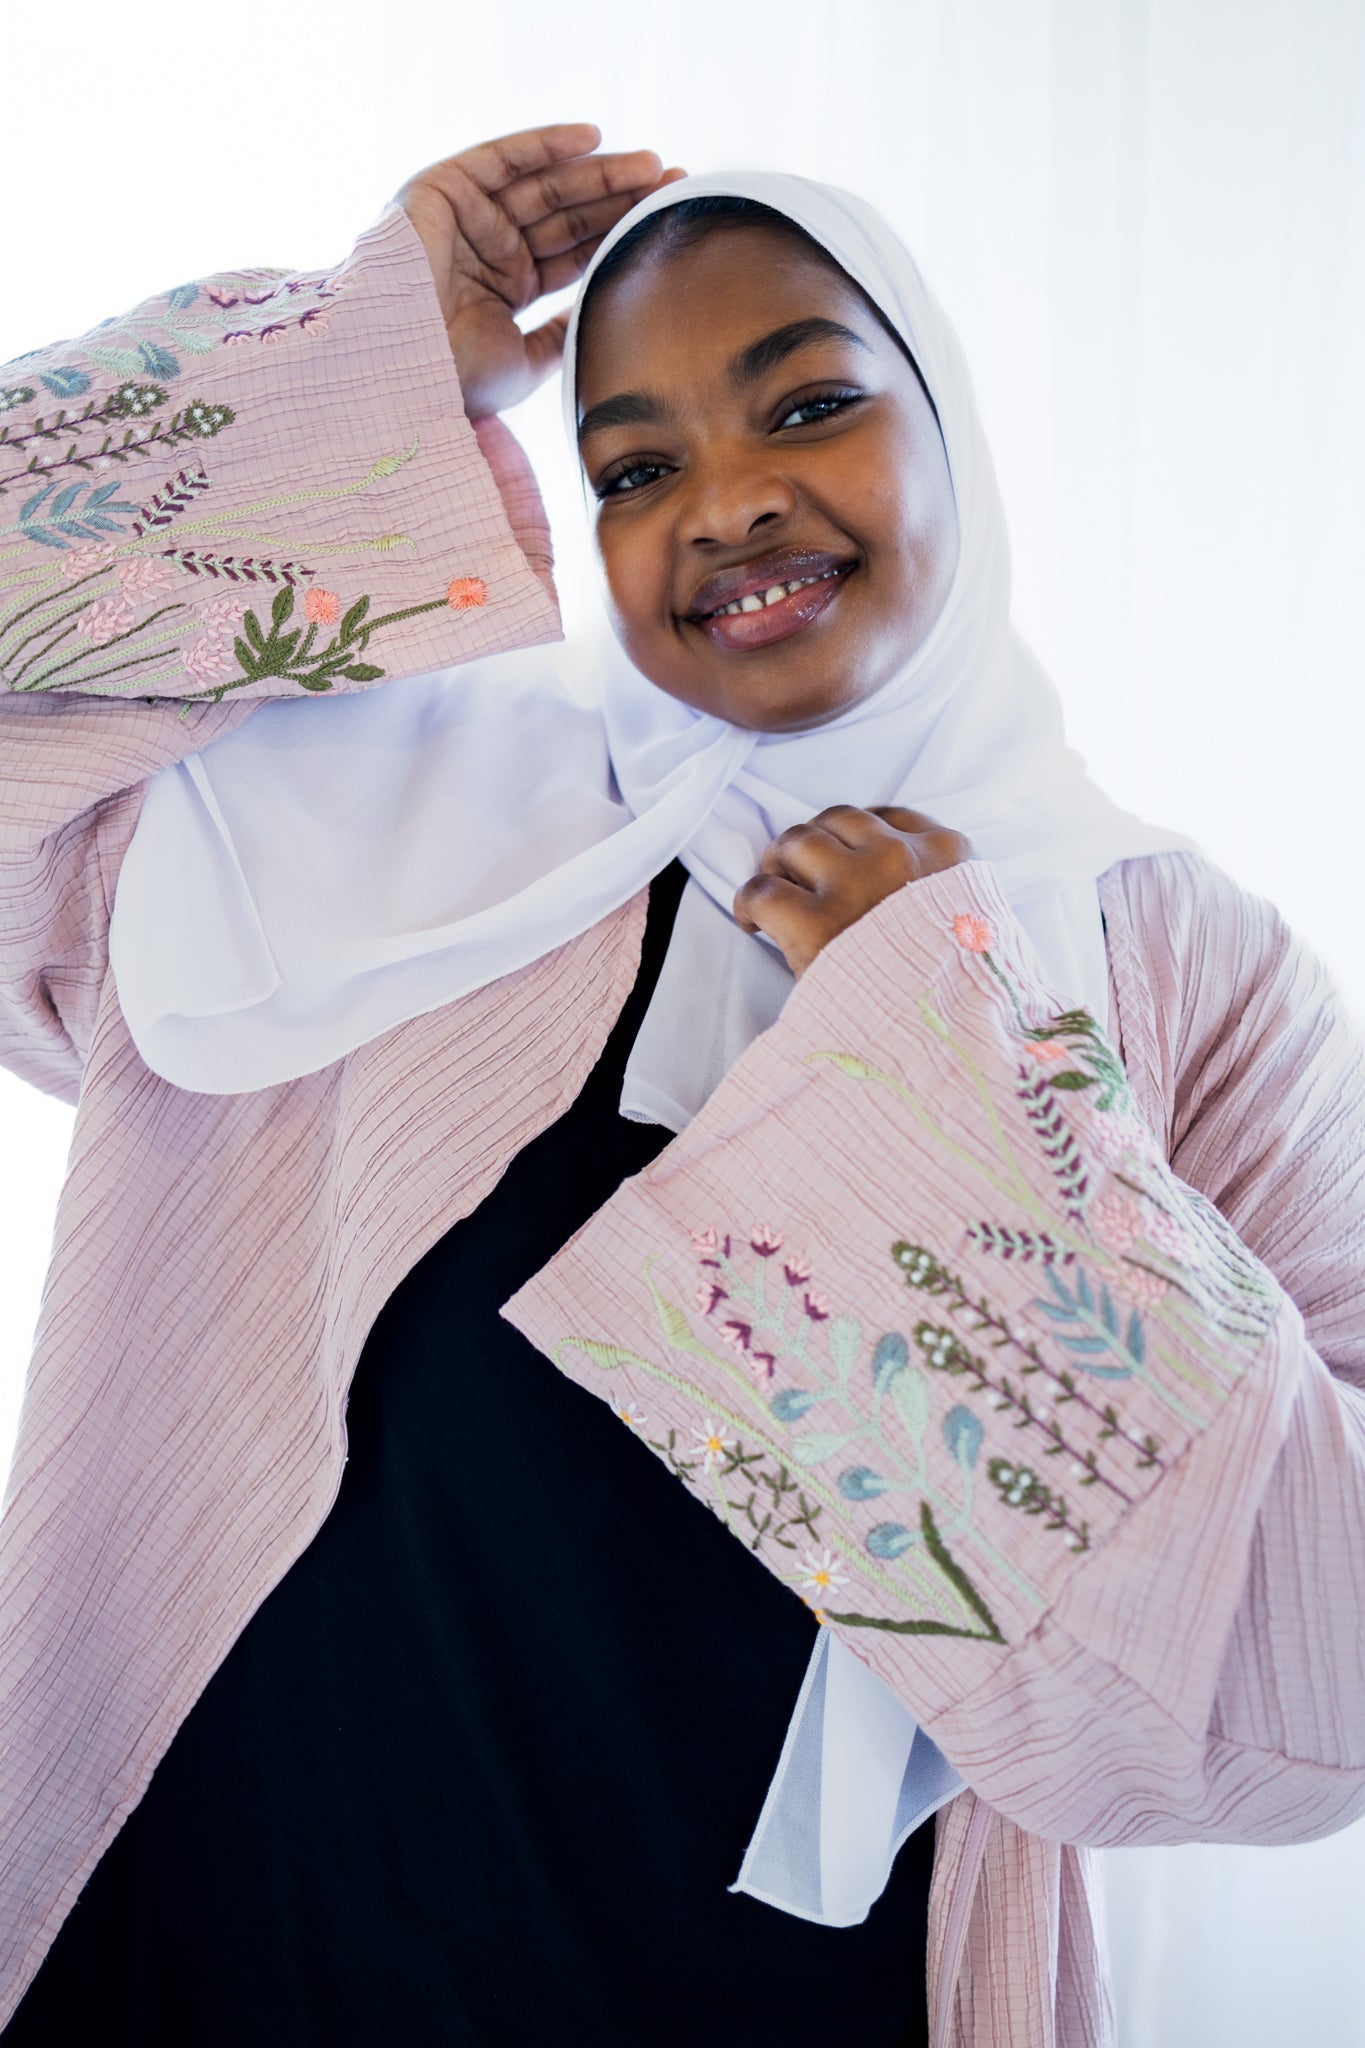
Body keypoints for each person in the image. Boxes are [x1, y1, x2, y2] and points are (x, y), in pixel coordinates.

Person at [1, 124, 1363, 2048]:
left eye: (804, 401)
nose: (724, 503)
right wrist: (362, 366)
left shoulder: (1181, 967)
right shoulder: (368, 830)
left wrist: (934, 1037)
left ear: (948, 425)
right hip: (247, 1915)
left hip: (763, 1990)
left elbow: (1308, 1680)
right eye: (634, 465)